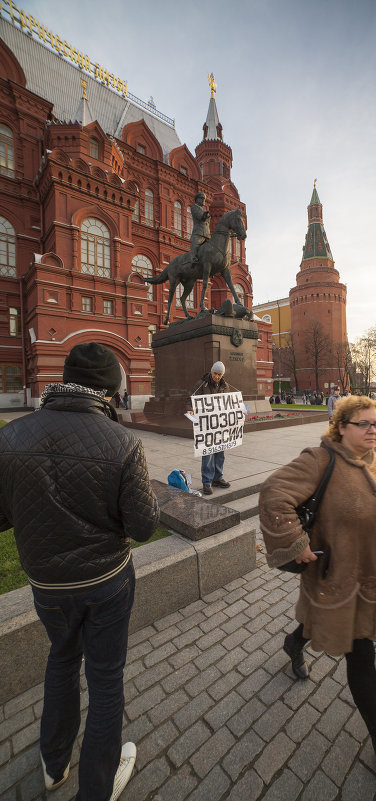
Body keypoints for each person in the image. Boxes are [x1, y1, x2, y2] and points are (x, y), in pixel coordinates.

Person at [0, 342, 160, 801]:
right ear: (110, 391)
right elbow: (144, 527)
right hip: (106, 581)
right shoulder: (124, 442)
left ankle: (54, 766)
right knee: (106, 680)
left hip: (47, 584)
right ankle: (98, 786)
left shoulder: (12, 435)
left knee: (62, 661)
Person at [259, 396, 376, 801]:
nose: (373, 431)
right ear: (341, 426)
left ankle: (294, 642)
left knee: (319, 624)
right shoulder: (319, 459)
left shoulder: (372, 462)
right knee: (361, 657)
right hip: (336, 579)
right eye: (364, 424)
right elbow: (273, 492)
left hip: (369, 576)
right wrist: (295, 543)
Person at [192, 361, 232, 495]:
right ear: (211, 372)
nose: (217, 377)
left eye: (220, 374)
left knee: (220, 452)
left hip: (220, 426)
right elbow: (191, 399)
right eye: (215, 373)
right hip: (207, 426)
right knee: (208, 453)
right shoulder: (201, 384)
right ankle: (207, 481)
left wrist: (241, 409)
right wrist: (190, 409)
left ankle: (218, 478)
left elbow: (231, 403)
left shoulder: (225, 386)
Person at [189, 191, 211, 263]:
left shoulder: (205, 210)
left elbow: (208, 223)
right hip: (199, 232)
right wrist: (205, 215)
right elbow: (200, 217)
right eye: (201, 198)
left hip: (207, 234)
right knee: (195, 245)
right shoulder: (194, 207)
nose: (203, 200)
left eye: (204, 199)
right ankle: (193, 258)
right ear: (197, 199)